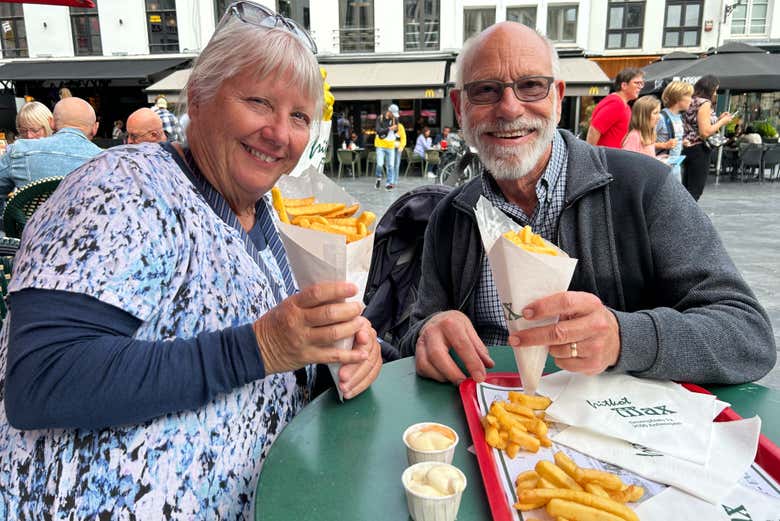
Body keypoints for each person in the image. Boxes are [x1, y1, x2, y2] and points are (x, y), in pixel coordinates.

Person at [0, 3, 381, 518]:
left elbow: (259, 354)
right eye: (259, 102)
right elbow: (41, 378)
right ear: (198, 98)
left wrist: (332, 353)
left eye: (298, 116)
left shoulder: (259, 215)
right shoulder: (125, 185)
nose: (279, 133)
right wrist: (260, 347)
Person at [397, 22, 775, 388]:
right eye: (485, 91)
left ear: (558, 99)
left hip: (621, 433)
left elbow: (748, 336)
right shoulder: (452, 216)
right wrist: (428, 332)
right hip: (488, 415)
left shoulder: (643, 187)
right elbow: (418, 328)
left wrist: (623, 338)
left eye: (531, 86)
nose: (510, 108)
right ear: (459, 108)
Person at [0, 96, 102, 197]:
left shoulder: (18, 151)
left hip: (33, 213)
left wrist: (8, 212)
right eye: (23, 131)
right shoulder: (107, 161)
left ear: (51, 123)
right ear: (95, 128)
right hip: (81, 213)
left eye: (35, 130)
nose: (29, 136)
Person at [681, 75, 733, 201]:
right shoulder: (705, 103)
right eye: (715, 90)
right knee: (695, 190)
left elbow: (696, 123)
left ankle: (682, 216)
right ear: (709, 89)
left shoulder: (691, 100)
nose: (715, 93)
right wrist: (723, 122)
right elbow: (704, 132)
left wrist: (718, 119)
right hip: (699, 148)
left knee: (686, 187)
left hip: (687, 146)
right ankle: (687, 218)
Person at [586, 67, 645, 148]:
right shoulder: (617, 103)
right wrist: (589, 156)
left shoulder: (624, 105)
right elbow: (594, 129)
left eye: (641, 83)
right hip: (605, 157)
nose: (640, 87)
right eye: (636, 83)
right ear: (624, 85)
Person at [655, 81, 692, 183]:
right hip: (662, 168)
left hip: (675, 167)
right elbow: (645, 143)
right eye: (688, 96)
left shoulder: (679, 117)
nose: (691, 100)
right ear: (678, 97)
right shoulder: (660, 117)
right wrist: (664, 145)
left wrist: (682, 142)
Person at [374, 104, 399, 190]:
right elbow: (378, 131)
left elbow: (396, 130)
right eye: (394, 114)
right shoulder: (379, 118)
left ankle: (389, 183)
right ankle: (378, 178)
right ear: (390, 112)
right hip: (380, 145)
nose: (395, 116)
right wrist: (390, 128)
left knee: (391, 165)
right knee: (379, 164)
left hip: (390, 145)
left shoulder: (395, 119)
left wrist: (395, 129)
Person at [394, 116, 407, 183]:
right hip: (389, 147)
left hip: (398, 147)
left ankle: (395, 180)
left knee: (397, 163)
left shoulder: (400, 127)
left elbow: (403, 138)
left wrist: (401, 147)